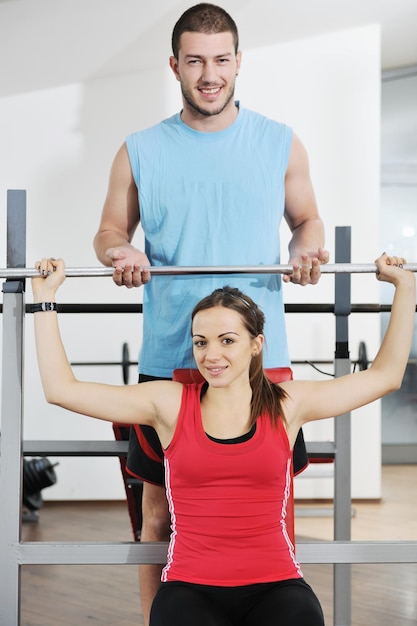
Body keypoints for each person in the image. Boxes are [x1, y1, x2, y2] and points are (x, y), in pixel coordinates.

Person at [93, 3, 329, 622]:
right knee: (156, 512)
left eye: (221, 59)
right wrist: (120, 250)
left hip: (259, 360)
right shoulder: (139, 149)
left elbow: (307, 221)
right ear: (175, 65)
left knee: (271, 507)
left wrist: (307, 247)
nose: (209, 73)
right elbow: (110, 231)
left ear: (238, 63)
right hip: (172, 358)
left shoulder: (279, 141)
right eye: (195, 59)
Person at [32, 253, 415, 626]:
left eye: (227, 340)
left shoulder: (288, 404)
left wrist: (405, 287)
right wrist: (45, 300)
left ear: (256, 344)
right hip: (190, 589)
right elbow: (62, 389)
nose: (211, 354)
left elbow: (385, 376)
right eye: (201, 342)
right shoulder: (168, 405)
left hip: (277, 586)